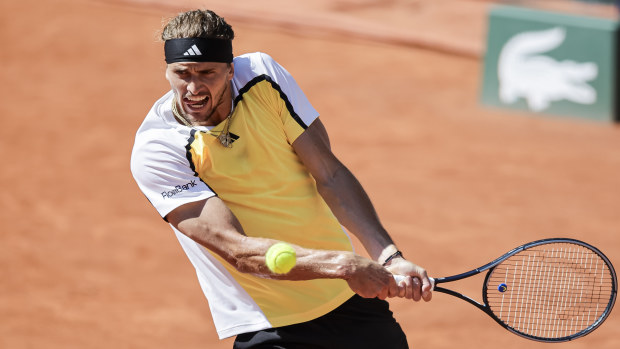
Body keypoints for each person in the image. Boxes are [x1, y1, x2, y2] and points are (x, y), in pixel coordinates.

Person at [130, 9, 432, 349]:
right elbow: (239, 251)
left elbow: (329, 173)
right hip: (270, 325)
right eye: (181, 73)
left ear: (230, 70)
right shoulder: (159, 149)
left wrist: (388, 256)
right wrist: (345, 265)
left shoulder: (262, 76)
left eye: (207, 73)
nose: (193, 87)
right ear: (166, 70)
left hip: (348, 304)